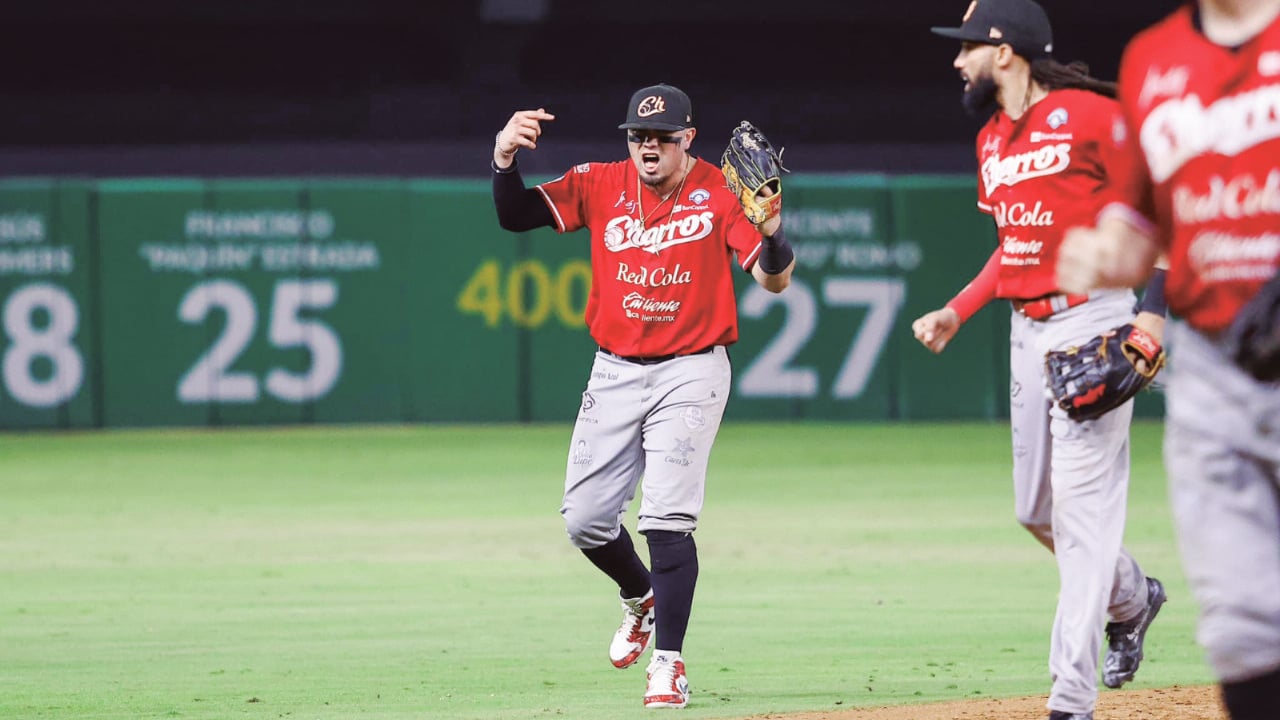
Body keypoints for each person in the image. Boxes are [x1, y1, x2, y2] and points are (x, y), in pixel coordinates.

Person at [489, 83, 795, 709]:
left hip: (692, 371)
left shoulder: (718, 191)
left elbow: (775, 281)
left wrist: (774, 234)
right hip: (614, 371)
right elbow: (514, 214)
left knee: (664, 519)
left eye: (661, 137)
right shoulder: (599, 183)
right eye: (638, 136)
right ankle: (643, 597)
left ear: (688, 139)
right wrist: (504, 159)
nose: (648, 147)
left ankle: (670, 664)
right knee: (584, 521)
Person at [912, 2, 1169, 718]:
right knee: (1037, 511)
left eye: (967, 48)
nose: (957, 61)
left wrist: (1153, 310)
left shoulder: (1089, 116)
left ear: (1004, 51)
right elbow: (1012, 246)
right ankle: (1133, 597)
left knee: (1084, 521)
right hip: (1029, 334)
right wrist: (956, 311)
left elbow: (1162, 203)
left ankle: (1070, 696)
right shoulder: (993, 140)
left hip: (1095, 322)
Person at [1055, 1, 1280, 718]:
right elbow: (1144, 215)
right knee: (1243, 625)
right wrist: (1109, 250)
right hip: (1214, 370)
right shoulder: (1151, 60)